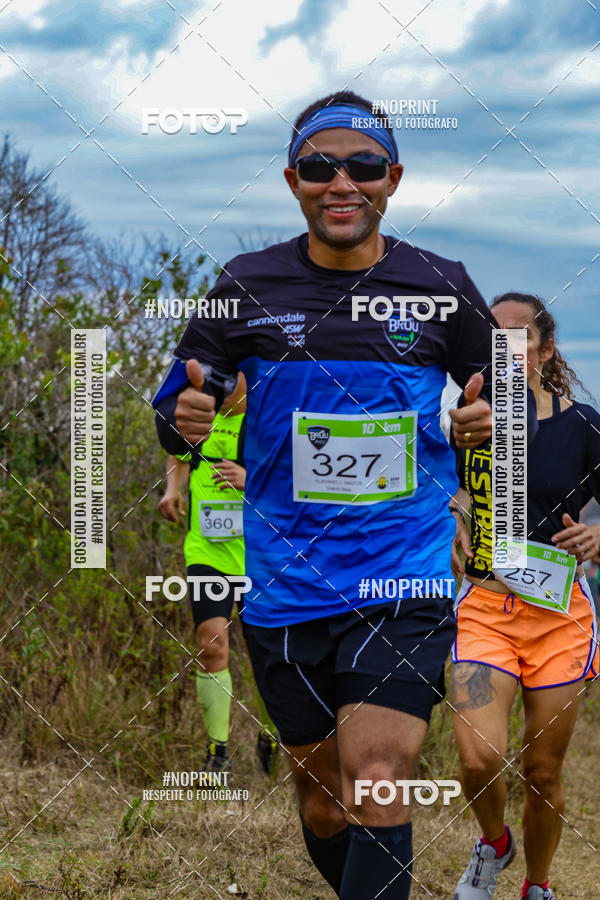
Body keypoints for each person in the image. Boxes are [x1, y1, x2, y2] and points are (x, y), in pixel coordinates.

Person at [153, 90, 495, 899]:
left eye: (364, 166)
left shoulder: (441, 286)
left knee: (377, 777)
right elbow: (178, 401)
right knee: (326, 802)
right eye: (319, 167)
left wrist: (486, 424)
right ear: (293, 180)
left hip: (402, 576)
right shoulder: (246, 283)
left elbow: (506, 402)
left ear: (394, 179)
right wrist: (182, 417)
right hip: (286, 586)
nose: (342, 183)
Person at [450, 292, 600, 900]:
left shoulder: (582, 425)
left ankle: (537, 885)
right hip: (485, 608)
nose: (507, 349)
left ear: (546, 350)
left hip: (559, 617)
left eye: (521, 338)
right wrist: (452, 510)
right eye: (495, 337)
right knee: (478, 759)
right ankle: (494, 843)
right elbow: (415, 477)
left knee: (542, 773)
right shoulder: (463, 417)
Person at [158, 372, 279, 775]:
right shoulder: (202, 415)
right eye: (219, 377)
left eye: (234, 376)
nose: (224, 385)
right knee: (211, 643)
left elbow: (298, 479)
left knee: (268, 652)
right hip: (207, 550)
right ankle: (217, 753)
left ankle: (271, 731)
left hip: (261, 553)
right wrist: (172, 488)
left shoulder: (268, 418)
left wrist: (252, 480)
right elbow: (178, 450)